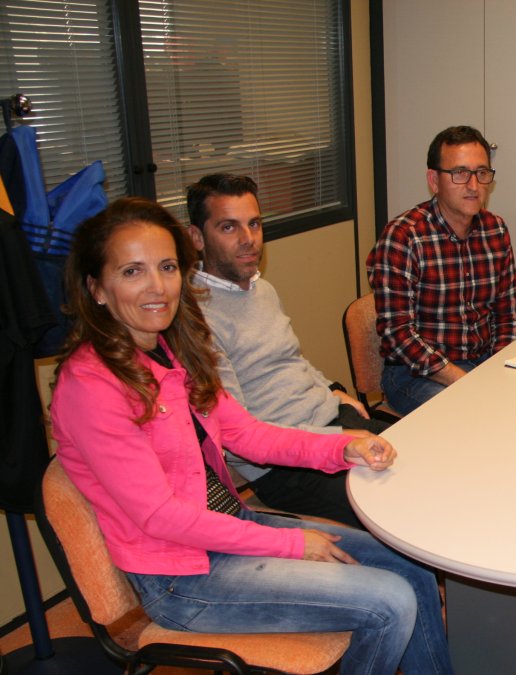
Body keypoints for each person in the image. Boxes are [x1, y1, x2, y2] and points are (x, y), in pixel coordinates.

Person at [50, 197, 453, 675]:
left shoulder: (172, 353)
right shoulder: (91, 386)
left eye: (167, 267)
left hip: (229, 531)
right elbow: (160, 516)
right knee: (390, 602)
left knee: (411, 568)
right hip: (182, 579)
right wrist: (294, 544)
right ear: (97, 288)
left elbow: (248, 434)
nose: (157, 286)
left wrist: (343, 447)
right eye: (132, 271)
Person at [187, 173, 388, 527]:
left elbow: (291, 359)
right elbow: (237, 438)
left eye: (254, 224)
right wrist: (334, 440)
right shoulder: (196, 320)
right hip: (285, 466)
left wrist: (334, 391)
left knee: (431, 463)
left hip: (332, 420)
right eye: (229, 227)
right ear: (197, 238)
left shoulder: (261, 289)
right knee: (403, 506)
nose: (248, 239)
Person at [368, 125, 516, 414]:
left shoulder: (495, 229)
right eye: (460, 173)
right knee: (474, 415)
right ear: (434, 180)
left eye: (481, 173)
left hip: (482, 363)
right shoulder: (403, 237)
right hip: (416, 374)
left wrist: (498, 369)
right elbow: (398, 335)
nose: (473, 185)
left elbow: (508, 316)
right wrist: (466, 381)